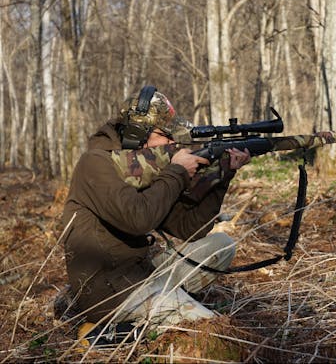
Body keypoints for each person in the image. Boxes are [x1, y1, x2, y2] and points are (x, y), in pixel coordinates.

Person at [61, 85, 250, 335]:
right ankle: (114, 332)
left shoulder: (141, 168)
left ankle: (162, 311)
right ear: (137, 133)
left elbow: (189, 229)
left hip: (141, 271)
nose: (173, 143)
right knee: (209, 331)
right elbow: (138, 219)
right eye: (166, 136)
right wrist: (177, 172)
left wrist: (223, 176)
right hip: (109, 290)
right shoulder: (95, 163)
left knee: (221, 245)